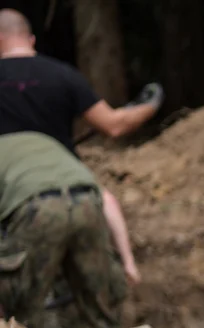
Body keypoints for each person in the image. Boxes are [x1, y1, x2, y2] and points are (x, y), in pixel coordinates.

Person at [0, 9, 163, 289]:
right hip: (72, 181)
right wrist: (151, 104)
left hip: (14, 188)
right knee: (106, 200)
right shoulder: (63, 75)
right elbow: (114, 125)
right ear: (31, 39)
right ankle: (128, 266)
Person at [0, 132, 127, 328]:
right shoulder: (41, 142)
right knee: (101, 305)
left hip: (38, 209)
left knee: (24, 309)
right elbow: (109, 201)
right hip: (87, 201)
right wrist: (128, 263)